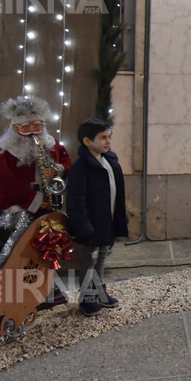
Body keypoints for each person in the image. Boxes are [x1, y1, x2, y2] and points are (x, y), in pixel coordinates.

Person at [66, 118, 129, 317]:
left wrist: (120, 218)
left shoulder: (109, 161)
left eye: (108, 137)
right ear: (87, 141)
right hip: (91, 226)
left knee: (102, 257)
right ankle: (87, 299)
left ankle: (100, 292)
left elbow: (116, 193)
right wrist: (84, 226)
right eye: (102, 138)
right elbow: (76, 201)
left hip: (106, 222)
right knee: (89, 260)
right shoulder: (80, 168)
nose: (107, 142)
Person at [0, 95, 71, 214]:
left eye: (36, 125)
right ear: (15, 127)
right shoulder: (6, 150)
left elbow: (67, 164)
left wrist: (56, 170)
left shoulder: (53, 143)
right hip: (20, 208)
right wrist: (34, 200)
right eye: (25, 127)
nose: (32, 130)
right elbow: (6, 182)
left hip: (51, 205)